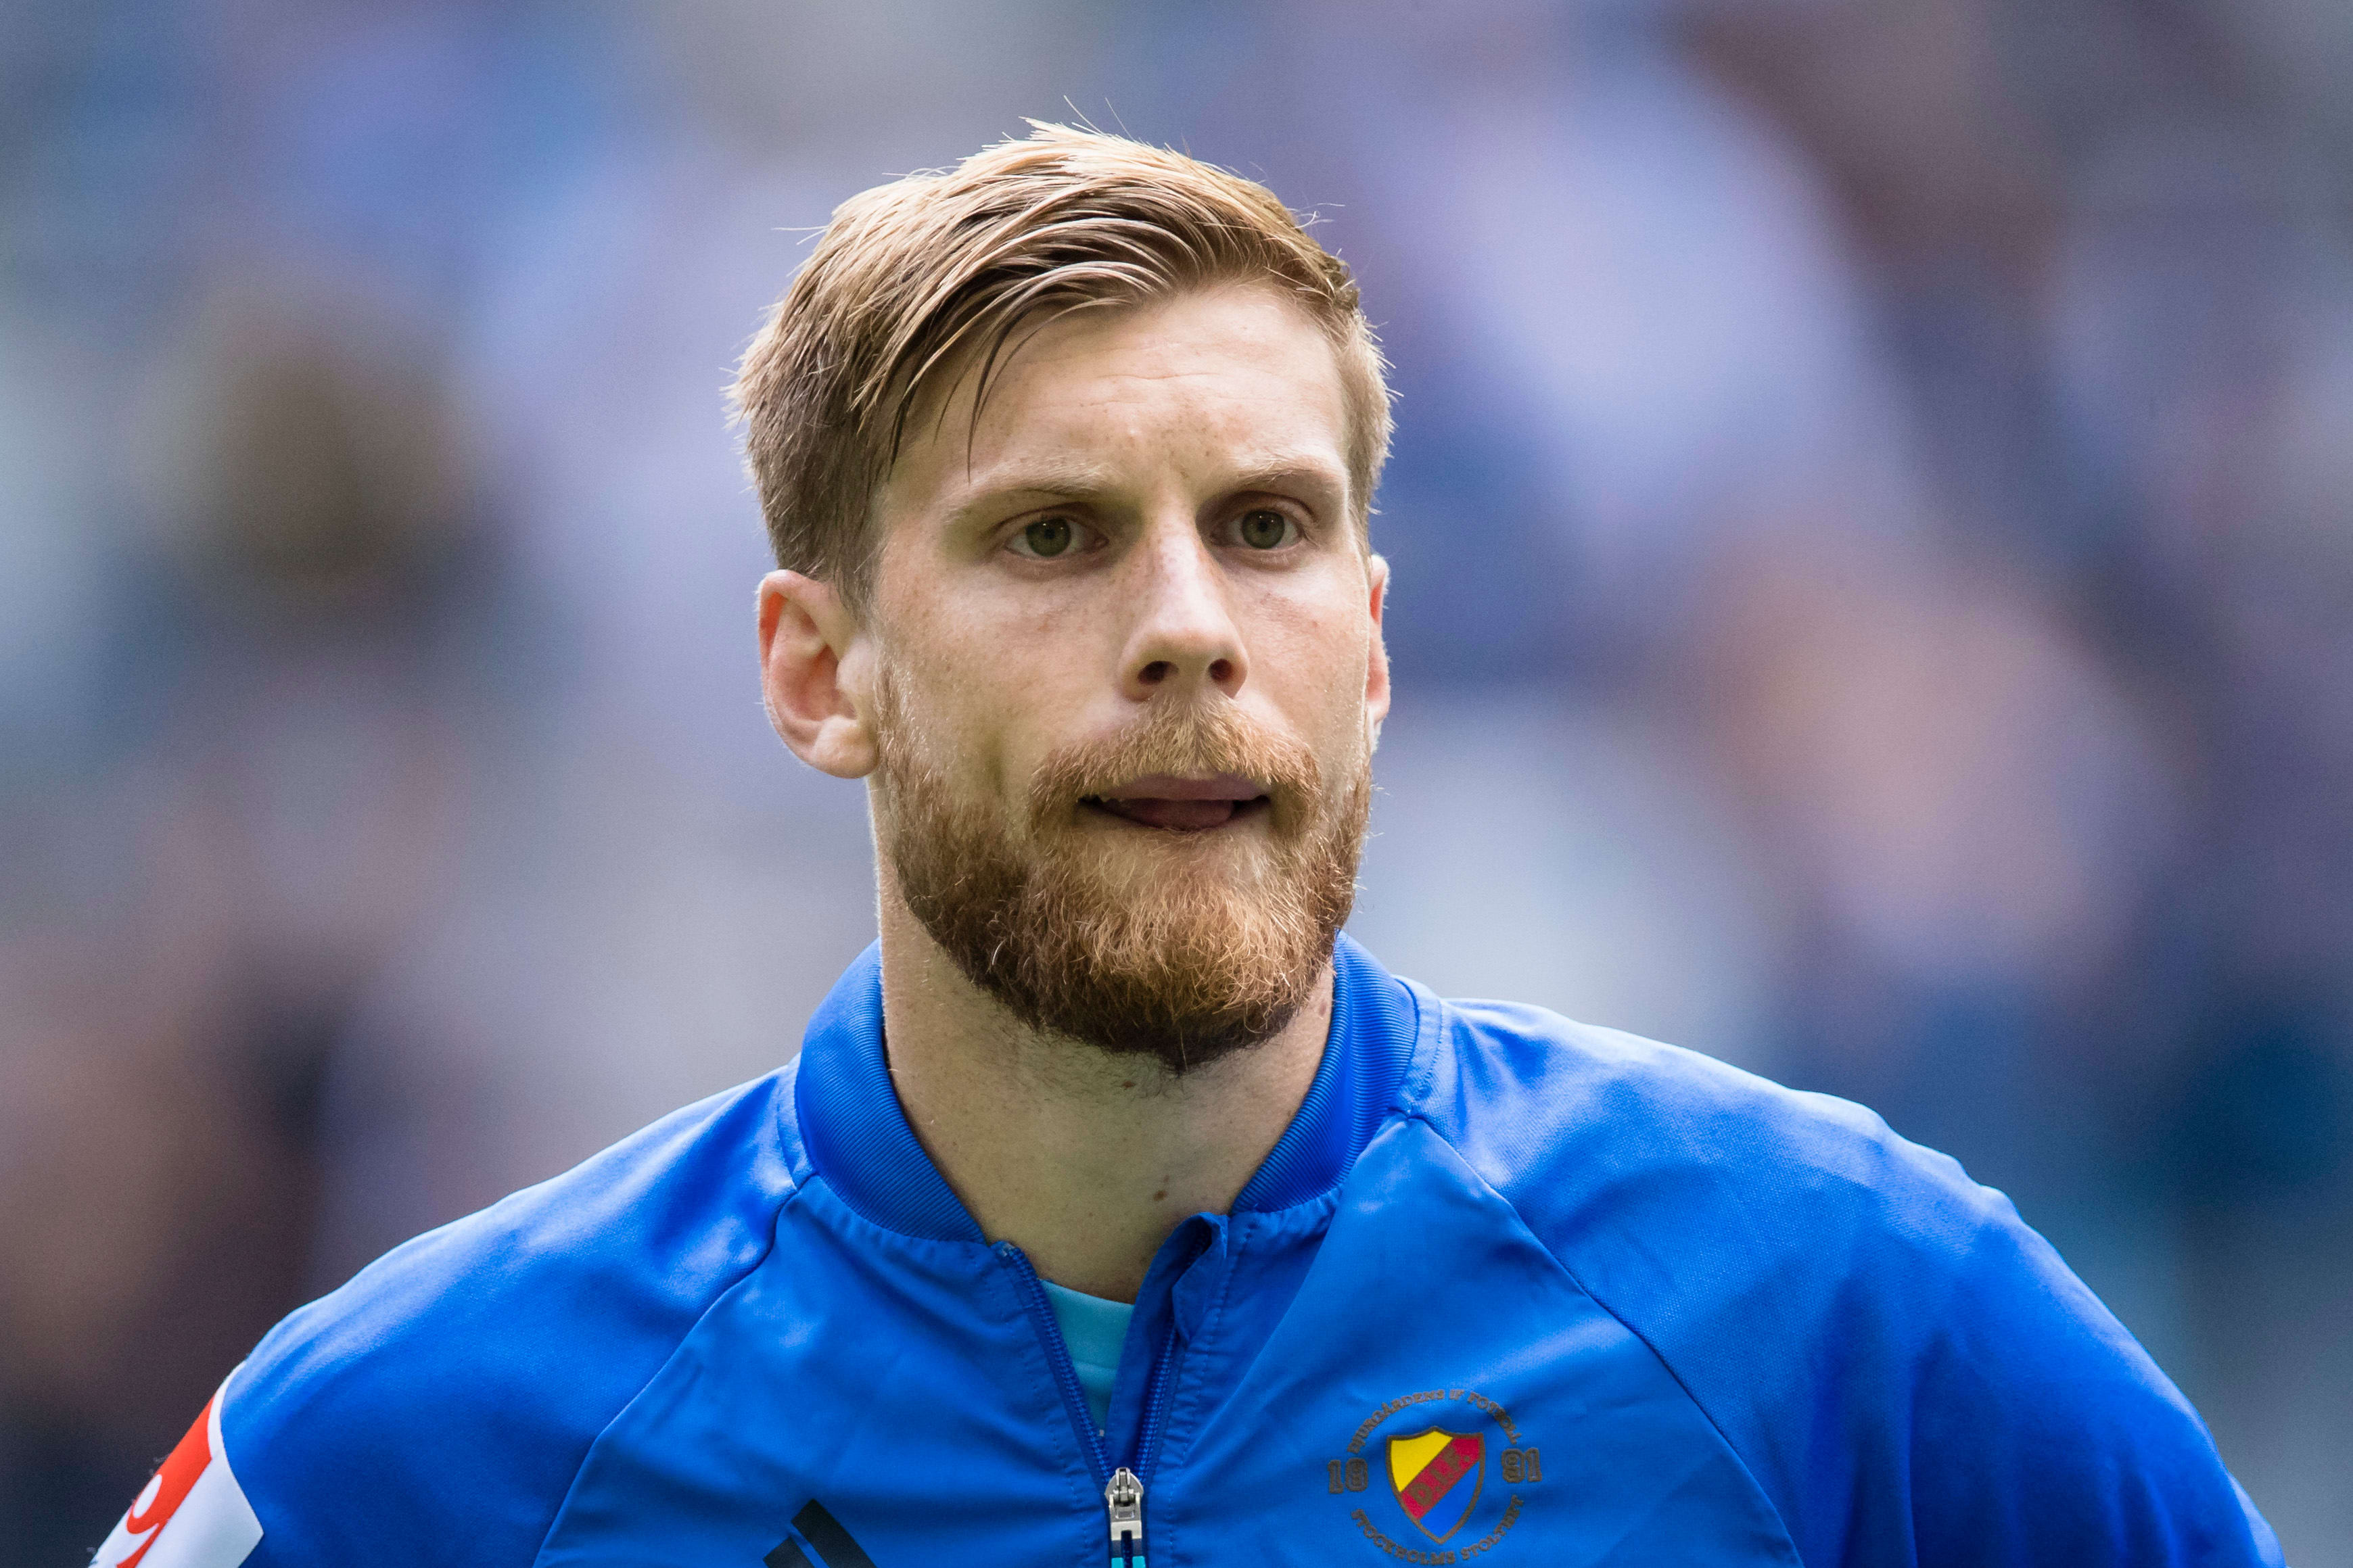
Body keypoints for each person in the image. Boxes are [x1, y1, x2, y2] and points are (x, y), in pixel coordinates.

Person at [94, 125, 2278, 1568]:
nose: (1188, 630)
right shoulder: (416, 1438)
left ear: (1376, 646)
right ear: (819, 674)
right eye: (1052, 537)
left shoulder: (1846, 1314)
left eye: (1267, 529)